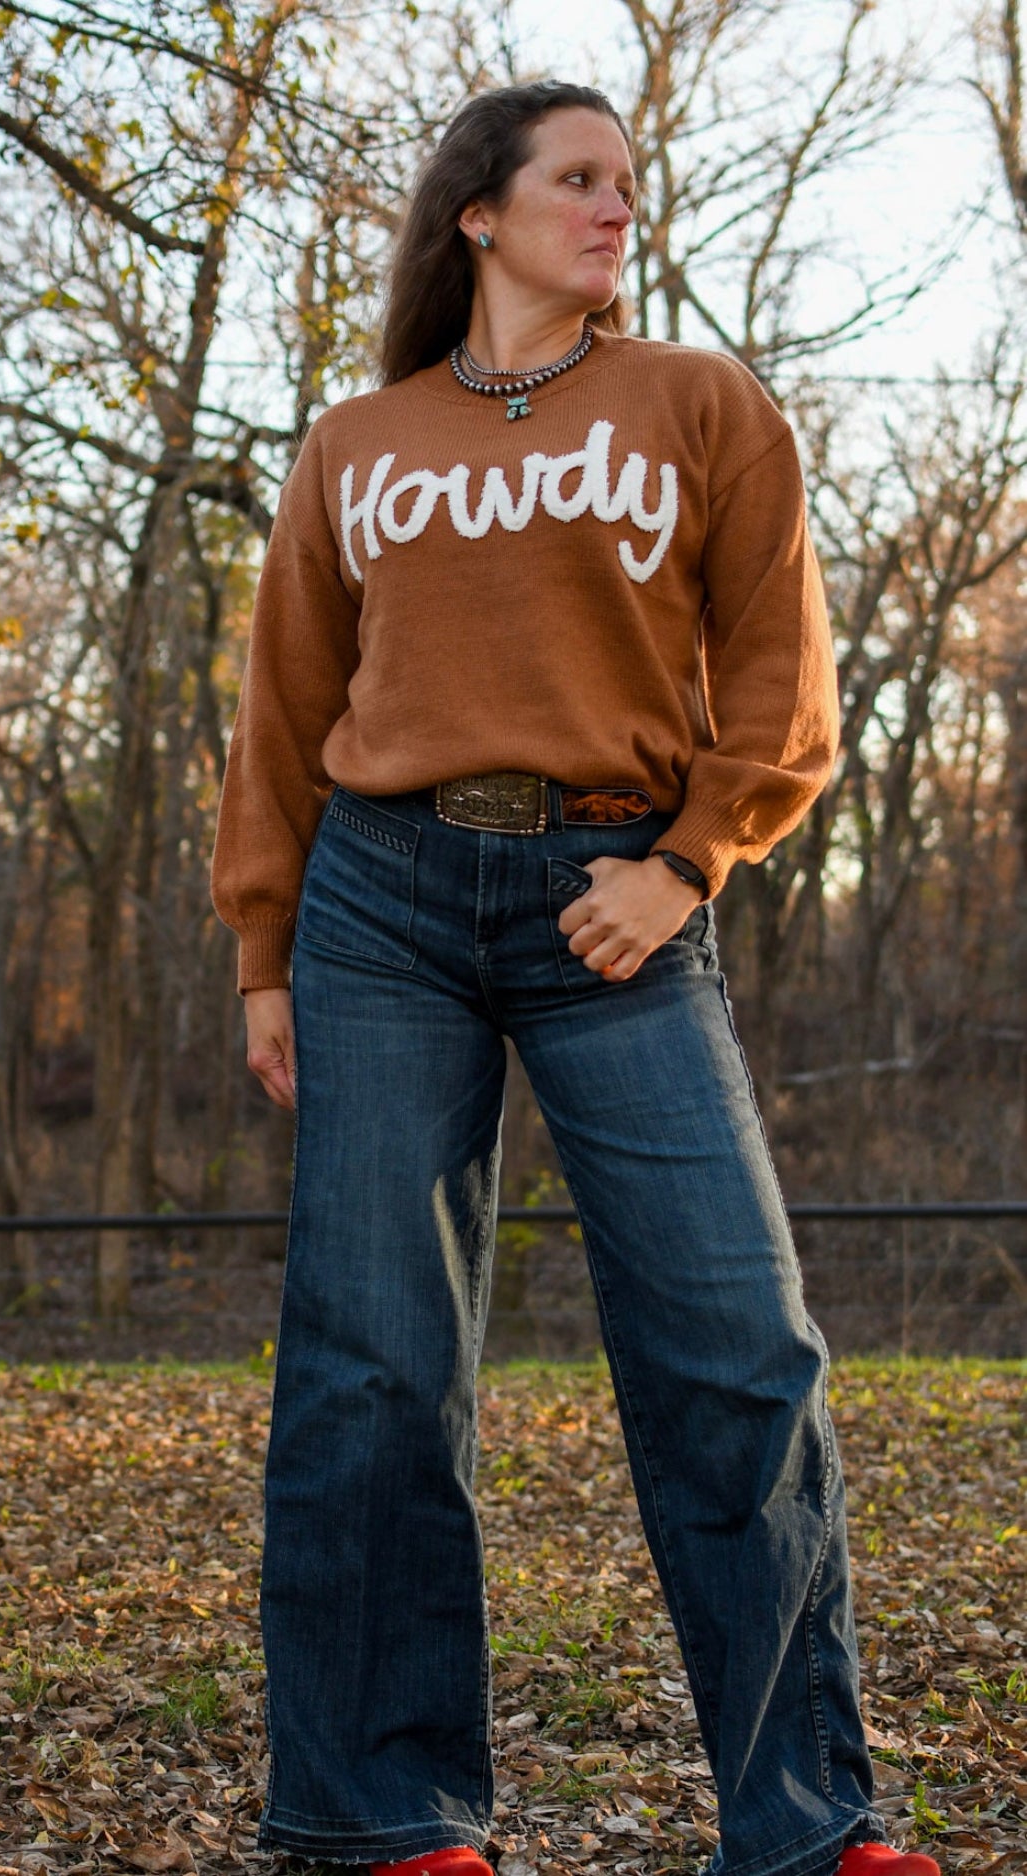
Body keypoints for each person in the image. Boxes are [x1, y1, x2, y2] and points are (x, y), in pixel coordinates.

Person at [210, 79, 939, 1876]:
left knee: (733, 1346)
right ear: (481, 210)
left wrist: (687, 861)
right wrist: (263, 949)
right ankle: (388, 1822)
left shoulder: (702, 404)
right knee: (374, 1368)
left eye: (633, 181)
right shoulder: (355, 442)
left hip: (619, 897)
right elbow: (287, 715)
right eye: (580, 179)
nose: (619, 206)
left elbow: (781, 681)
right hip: (378, 911)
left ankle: (804, 1826)